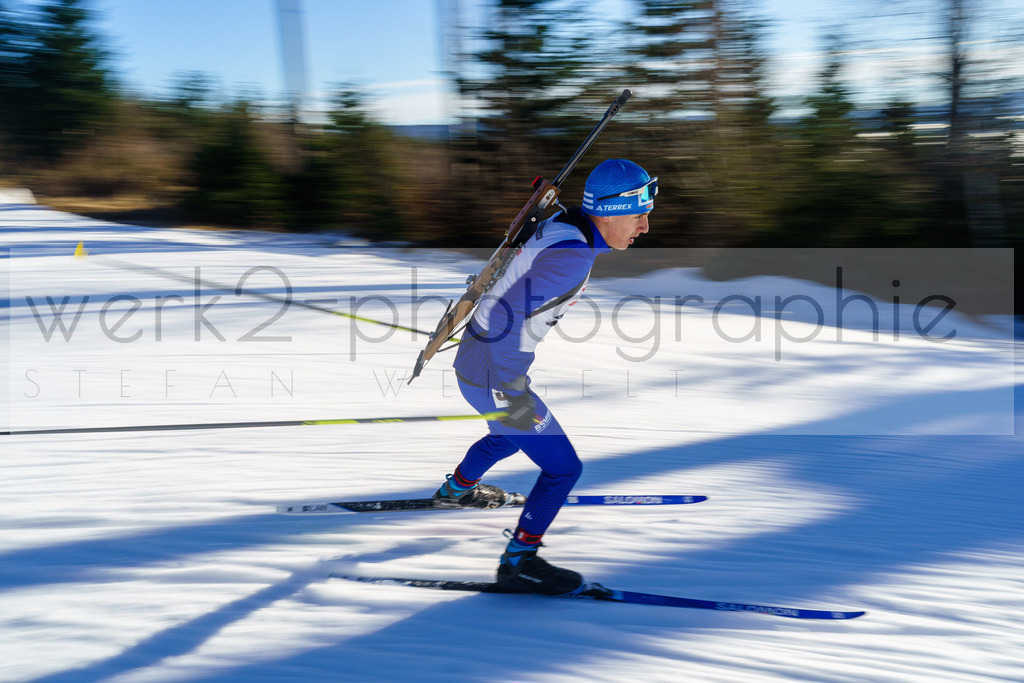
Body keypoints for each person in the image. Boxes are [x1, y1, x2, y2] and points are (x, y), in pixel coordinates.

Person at [432, 159, 656, 596]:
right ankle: (519, 563)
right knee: (563, 469)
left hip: (477, 362)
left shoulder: (565, 225)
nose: (645, 227)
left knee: (507, 435)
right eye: (638, 215)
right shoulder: (572, 255)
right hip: (494, 372)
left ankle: (457, 489)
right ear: (608, 211)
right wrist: (513, 387)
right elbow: (508, 317)